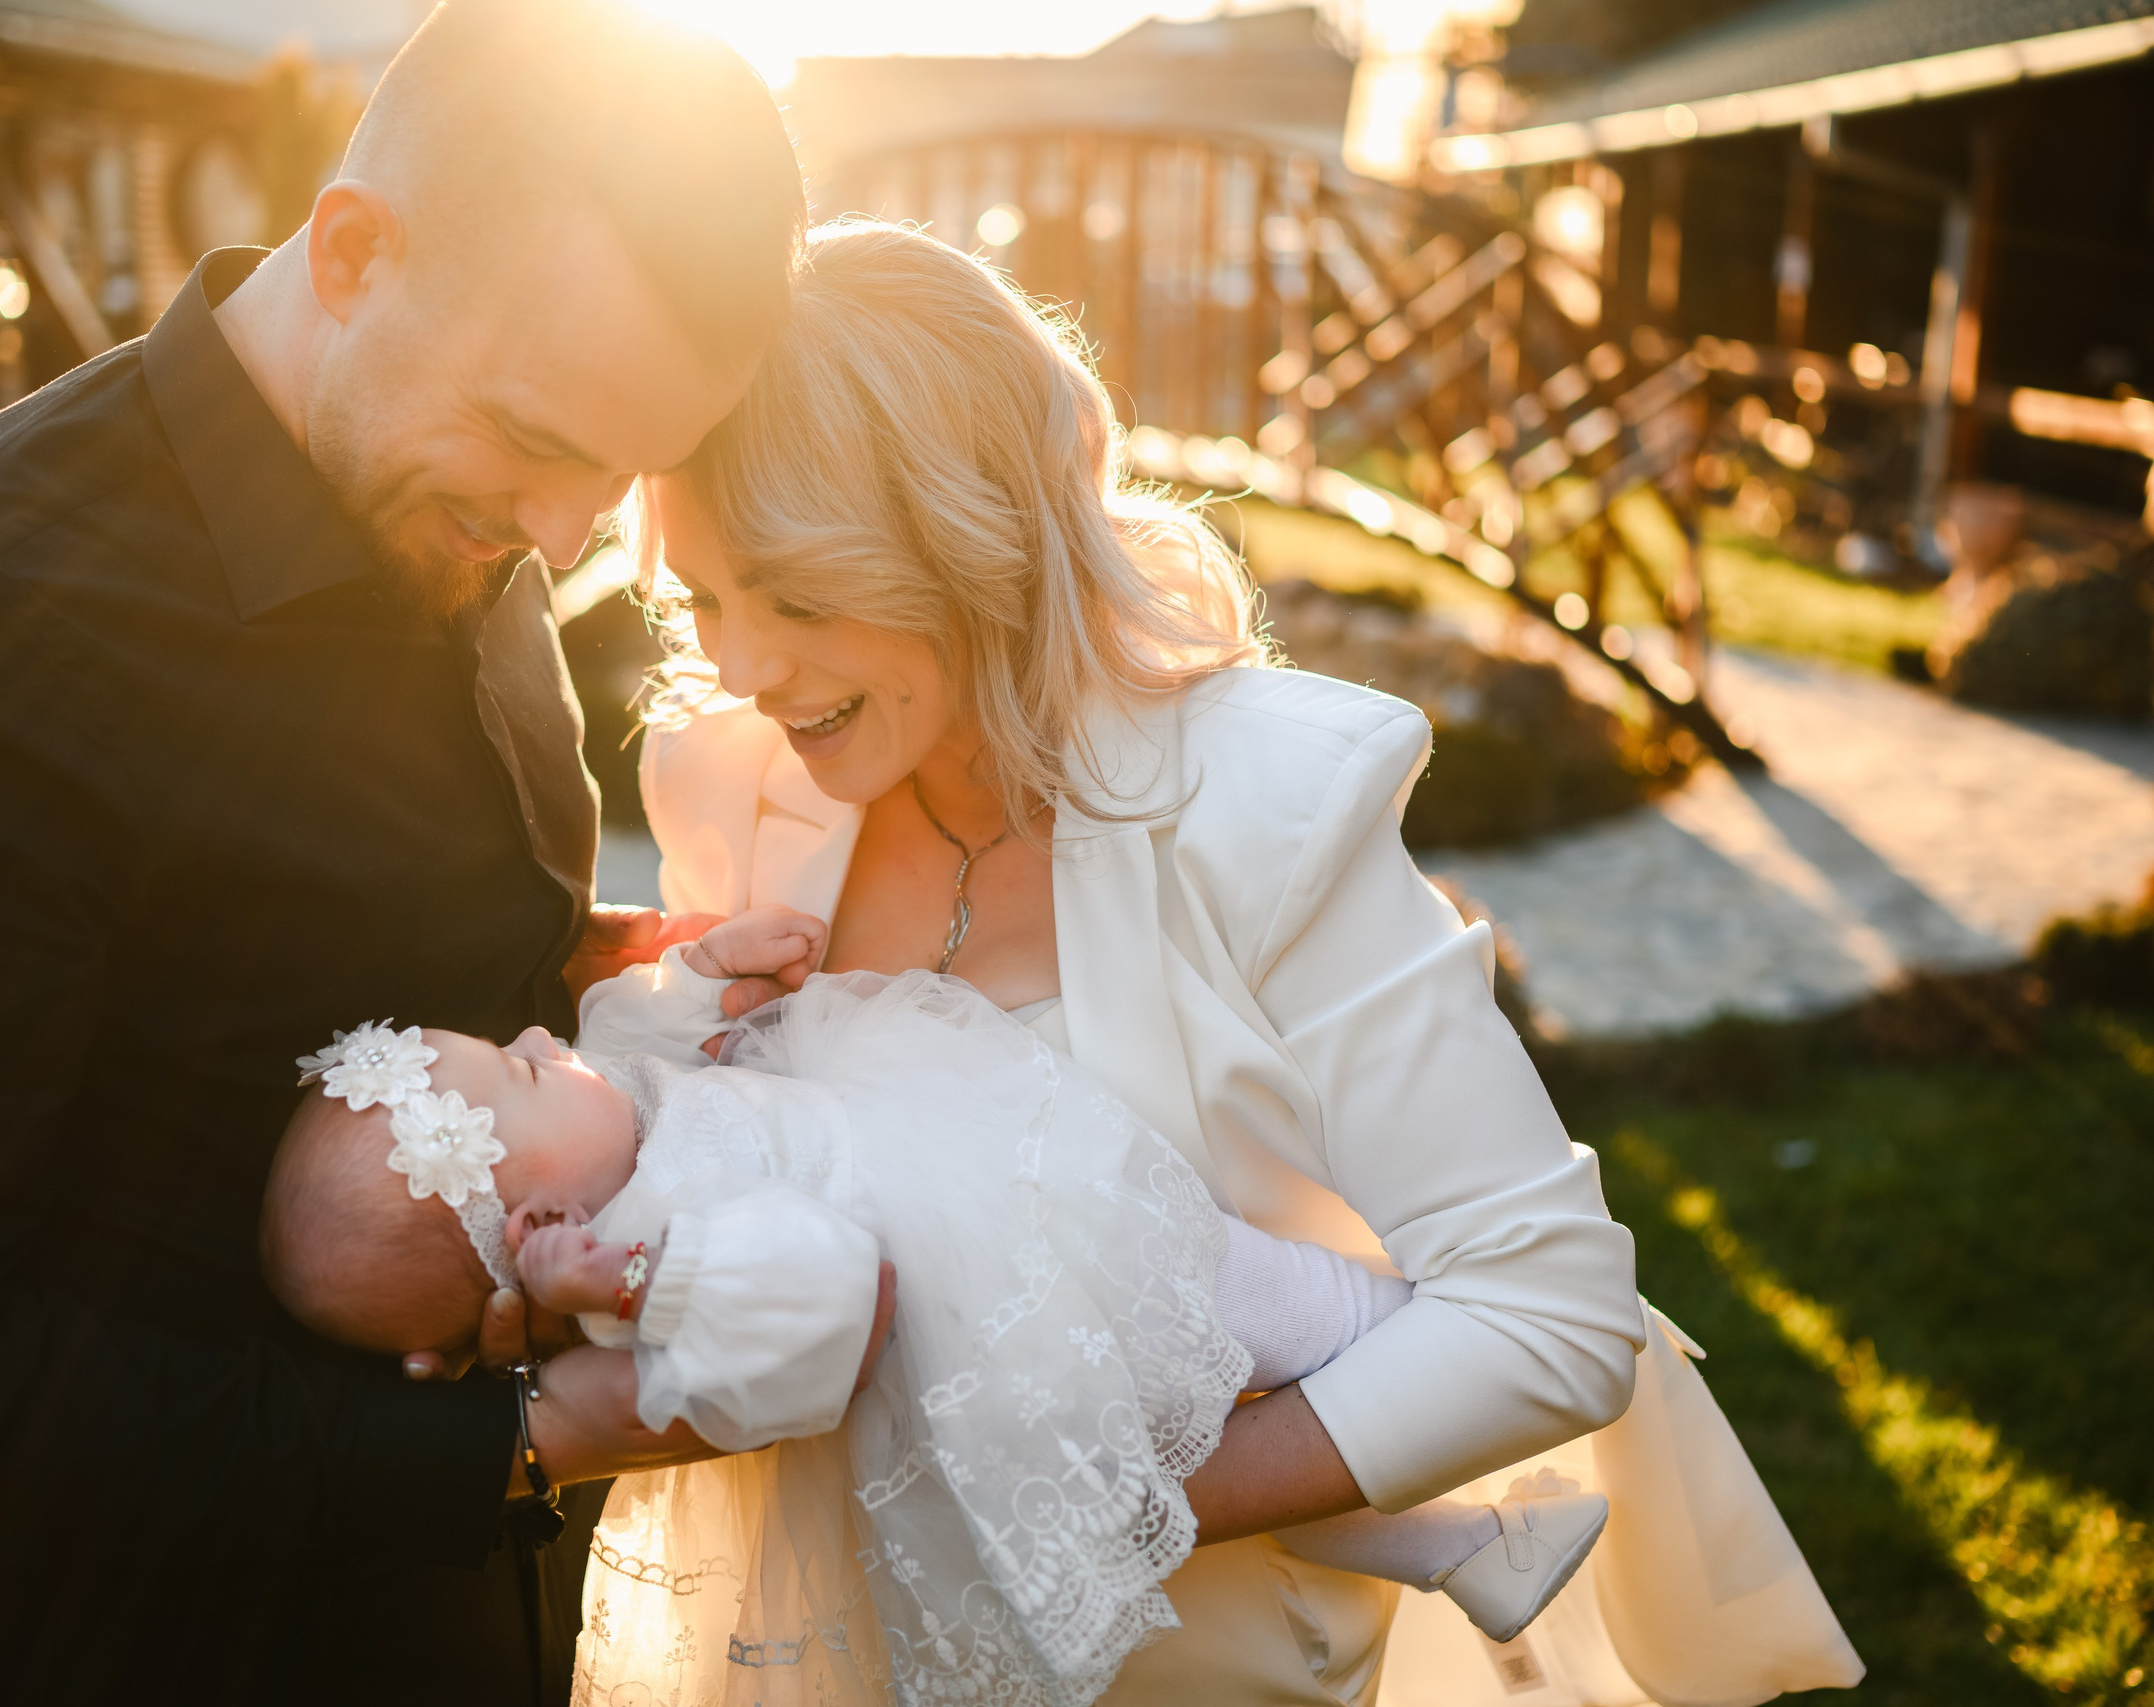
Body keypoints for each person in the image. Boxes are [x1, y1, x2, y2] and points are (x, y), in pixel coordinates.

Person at [0, 3, 802, 1699]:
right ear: (353, 253)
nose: (563, 538)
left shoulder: (458, 516)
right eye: (539, 440)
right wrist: (524, 1441)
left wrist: (556, 968)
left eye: (619, 475)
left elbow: (273, 957)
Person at [621, 221, 1862, 1704]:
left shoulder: (1268, 808)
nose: (744, 664)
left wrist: (1094, 1506)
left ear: (975, 532)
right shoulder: (728, 778)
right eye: (702, 597)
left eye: (797, 595)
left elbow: (1546, 1317)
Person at [253, 908, 1611, 1704]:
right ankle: (1440, 1353)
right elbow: (830, 1313)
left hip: (996, 1221)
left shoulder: (605, 1128)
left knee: (1178, 1451)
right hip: (1011, 1275)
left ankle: (1454, 1547)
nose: (544, 1038)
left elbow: (635, 1045)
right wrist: (631, 1282)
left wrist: (701, 970)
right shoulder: (647, 1281)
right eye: (518, 1074)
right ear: (532, 1237)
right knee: (1258, 1314)